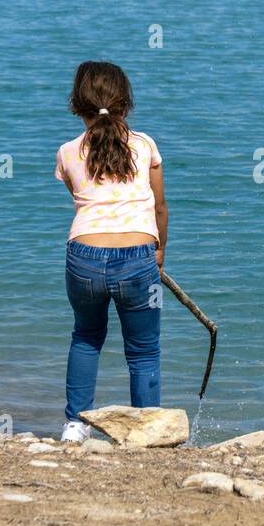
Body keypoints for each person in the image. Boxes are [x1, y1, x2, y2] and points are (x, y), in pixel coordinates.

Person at [54, 61, 168, 443]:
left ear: (77, 104)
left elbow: (81, 201)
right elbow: (160, 207)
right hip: (138, 256)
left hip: (84, 255)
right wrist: (159, 252)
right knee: (143, 350)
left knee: (86, 337)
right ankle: (146, 428)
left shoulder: (68, 152)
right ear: (126, 104)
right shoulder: (145, 145)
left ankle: (75, 426)